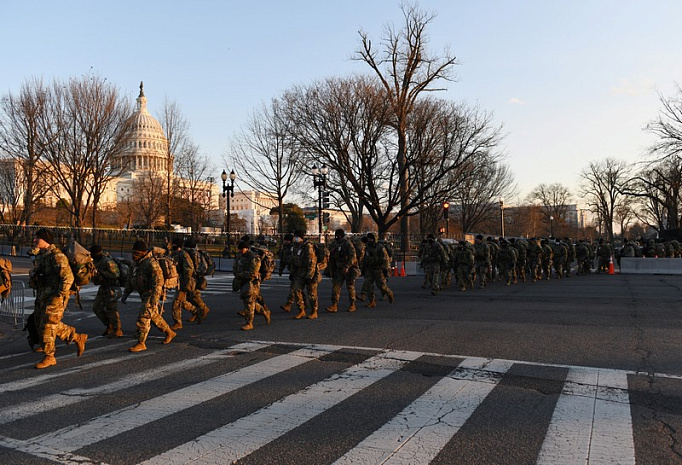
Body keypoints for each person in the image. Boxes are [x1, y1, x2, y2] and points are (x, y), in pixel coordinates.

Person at [29, 228, 87, 369]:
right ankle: (76, 337)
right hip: (43, 295)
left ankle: (50, 357)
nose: (35, 240)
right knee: (41, 322)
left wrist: (60, 295)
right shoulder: (42, 255)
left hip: (54, 297)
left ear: (46, 240)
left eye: (38, 238)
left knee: (48, 325)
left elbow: (68, 277)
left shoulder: (57, 256)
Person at [122, 240, 176, 352]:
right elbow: (130, 280)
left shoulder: (151, 263)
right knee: (154, 316)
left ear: (144, 252)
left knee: (144, 315)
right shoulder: (135, 264)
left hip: (151, 293)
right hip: (143, 293)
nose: (134, 256)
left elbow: (158, 282)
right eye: (133, 253)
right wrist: (125, 294)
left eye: (137, 253)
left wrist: (155, 298)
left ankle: (141, 342)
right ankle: (169, 332)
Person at [169, 238, 210, 330]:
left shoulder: (183, 254)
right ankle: (196, 311)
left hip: (185, 281)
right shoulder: (192, 253)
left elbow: (188, 268)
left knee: (177, 301)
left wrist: (185, 279)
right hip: (192, 280)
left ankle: (178, 322)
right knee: (186, 300)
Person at [233, 240, 270, 330]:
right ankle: (264, 312)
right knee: (249, 301)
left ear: (247, 249)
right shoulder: (240, 257)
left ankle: (249, 323)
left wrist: (240, 274)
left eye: (242, 249)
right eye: (240, 249)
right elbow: (235, 268)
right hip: (243, 282)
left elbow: (253, 273)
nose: (240, 251)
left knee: (249, 301)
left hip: (252, 282)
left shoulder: (254, 258)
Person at [89, 244, 123, 337]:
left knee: (111, 309)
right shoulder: (97, 261)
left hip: (112, 287)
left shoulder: (107, 261)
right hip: (104, 287)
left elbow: (116, 274)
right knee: (96, 307)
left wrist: (102, 272)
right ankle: (109, 325)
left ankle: (117, 329)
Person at [326, 228, 360, 313]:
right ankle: (334, 305)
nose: (337, 237)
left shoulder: (347, 243)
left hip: (349, 269)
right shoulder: (334, 243)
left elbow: (353, 256)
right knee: (336, 287)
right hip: (338, 268)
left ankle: (352, 304)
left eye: (338, 236)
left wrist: (347, 266)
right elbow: (329, 252)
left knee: (350, 287)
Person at [289, 230, 318, 319]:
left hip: (309, 271)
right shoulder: (295, 246)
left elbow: (311, 262)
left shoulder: (308, 246)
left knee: (311, 293)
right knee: (296, 290)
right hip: (299, 272)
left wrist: (310, 276)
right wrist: (292, 273)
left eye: (297, 236)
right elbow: (293, 260)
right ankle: (301, 310)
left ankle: (314, 311)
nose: (296, 238)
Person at [360, 233, 394, 307]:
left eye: (371, 239)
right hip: (370, 269)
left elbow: (385, 259)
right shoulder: (367, 248)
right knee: (369, 285)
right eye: (368, 239)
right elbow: (365, 259)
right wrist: (363, 268)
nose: (369, 240)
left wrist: (385, 269)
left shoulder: (380, 247)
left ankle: (389, 293)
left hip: (379, 269)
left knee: (381, 286)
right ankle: (372, 301)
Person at [279, 233, 296, 312]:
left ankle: (289, 304)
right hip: (291, 269)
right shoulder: (285, 247)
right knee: (298, 288)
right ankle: (304, 303)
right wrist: (280, 269)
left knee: (294, 287)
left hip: (297, 270)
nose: (286, 242)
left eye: (287, 240)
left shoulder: (295, 247)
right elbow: (283, 259)